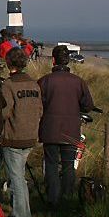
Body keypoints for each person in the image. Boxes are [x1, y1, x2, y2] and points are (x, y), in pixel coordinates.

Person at [38, 45, 96, 207]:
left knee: (50, 164)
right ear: (68, 60)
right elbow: (87, 105)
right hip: (71, 128)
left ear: (54, 60)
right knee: (68, 165)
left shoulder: (45, 81)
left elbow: (38, 104)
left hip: (50, 128)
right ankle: (67, 198)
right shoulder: (78, 82)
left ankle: (53, 198)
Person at [0, 47, 43, 217]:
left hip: (14, 136)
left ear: (9, 63)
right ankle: (24, 215)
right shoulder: (34, 84)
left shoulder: (8, 85)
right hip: (31, 135)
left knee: (16, 178)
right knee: (20, 177)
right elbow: (40, 109)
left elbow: (5, 111)